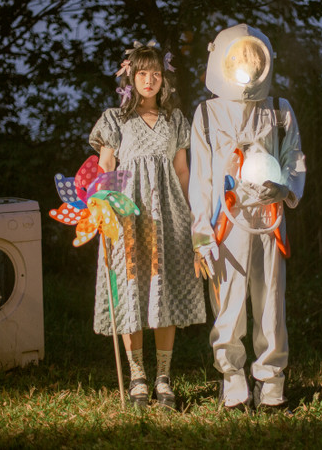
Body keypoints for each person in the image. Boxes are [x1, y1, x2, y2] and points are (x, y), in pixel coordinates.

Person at [189, 24, 306, 411]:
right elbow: (201, 179)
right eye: (238, 58)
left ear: (264, 61)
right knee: (229, 302)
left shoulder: (279, 110)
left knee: (271, 300)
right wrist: (201, 235)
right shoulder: (207, 114)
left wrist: (284, 187)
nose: (246, 65)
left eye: (252, 59)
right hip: (226, 221)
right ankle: (233, 380)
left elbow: (294, 159)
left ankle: (271, 382)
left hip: (269, 218)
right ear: (222, 59)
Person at [88, 42, 205, 409]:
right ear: (131, 77)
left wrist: (192, 216)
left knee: (163, 290)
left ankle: (163, 377)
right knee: (131, 289)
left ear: (164, 78)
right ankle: (137, 376)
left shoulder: (175, 120)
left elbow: (182, 171)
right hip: (127, 216)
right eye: (142, 73)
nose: (149, 80)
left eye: (156, 73)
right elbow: (106, 168)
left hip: (168, 216)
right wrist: (102, 210)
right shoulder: (115, 120)